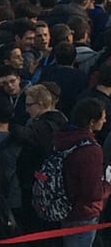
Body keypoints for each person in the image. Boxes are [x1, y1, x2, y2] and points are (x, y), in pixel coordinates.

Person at [51, 98, 111, 247]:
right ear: (92, 122)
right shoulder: (90, 150)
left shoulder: (62, 138)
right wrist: (107, 184)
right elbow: (93, 193)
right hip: (83, 212)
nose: (105, 121)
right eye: (102, 118)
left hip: (63, 205)